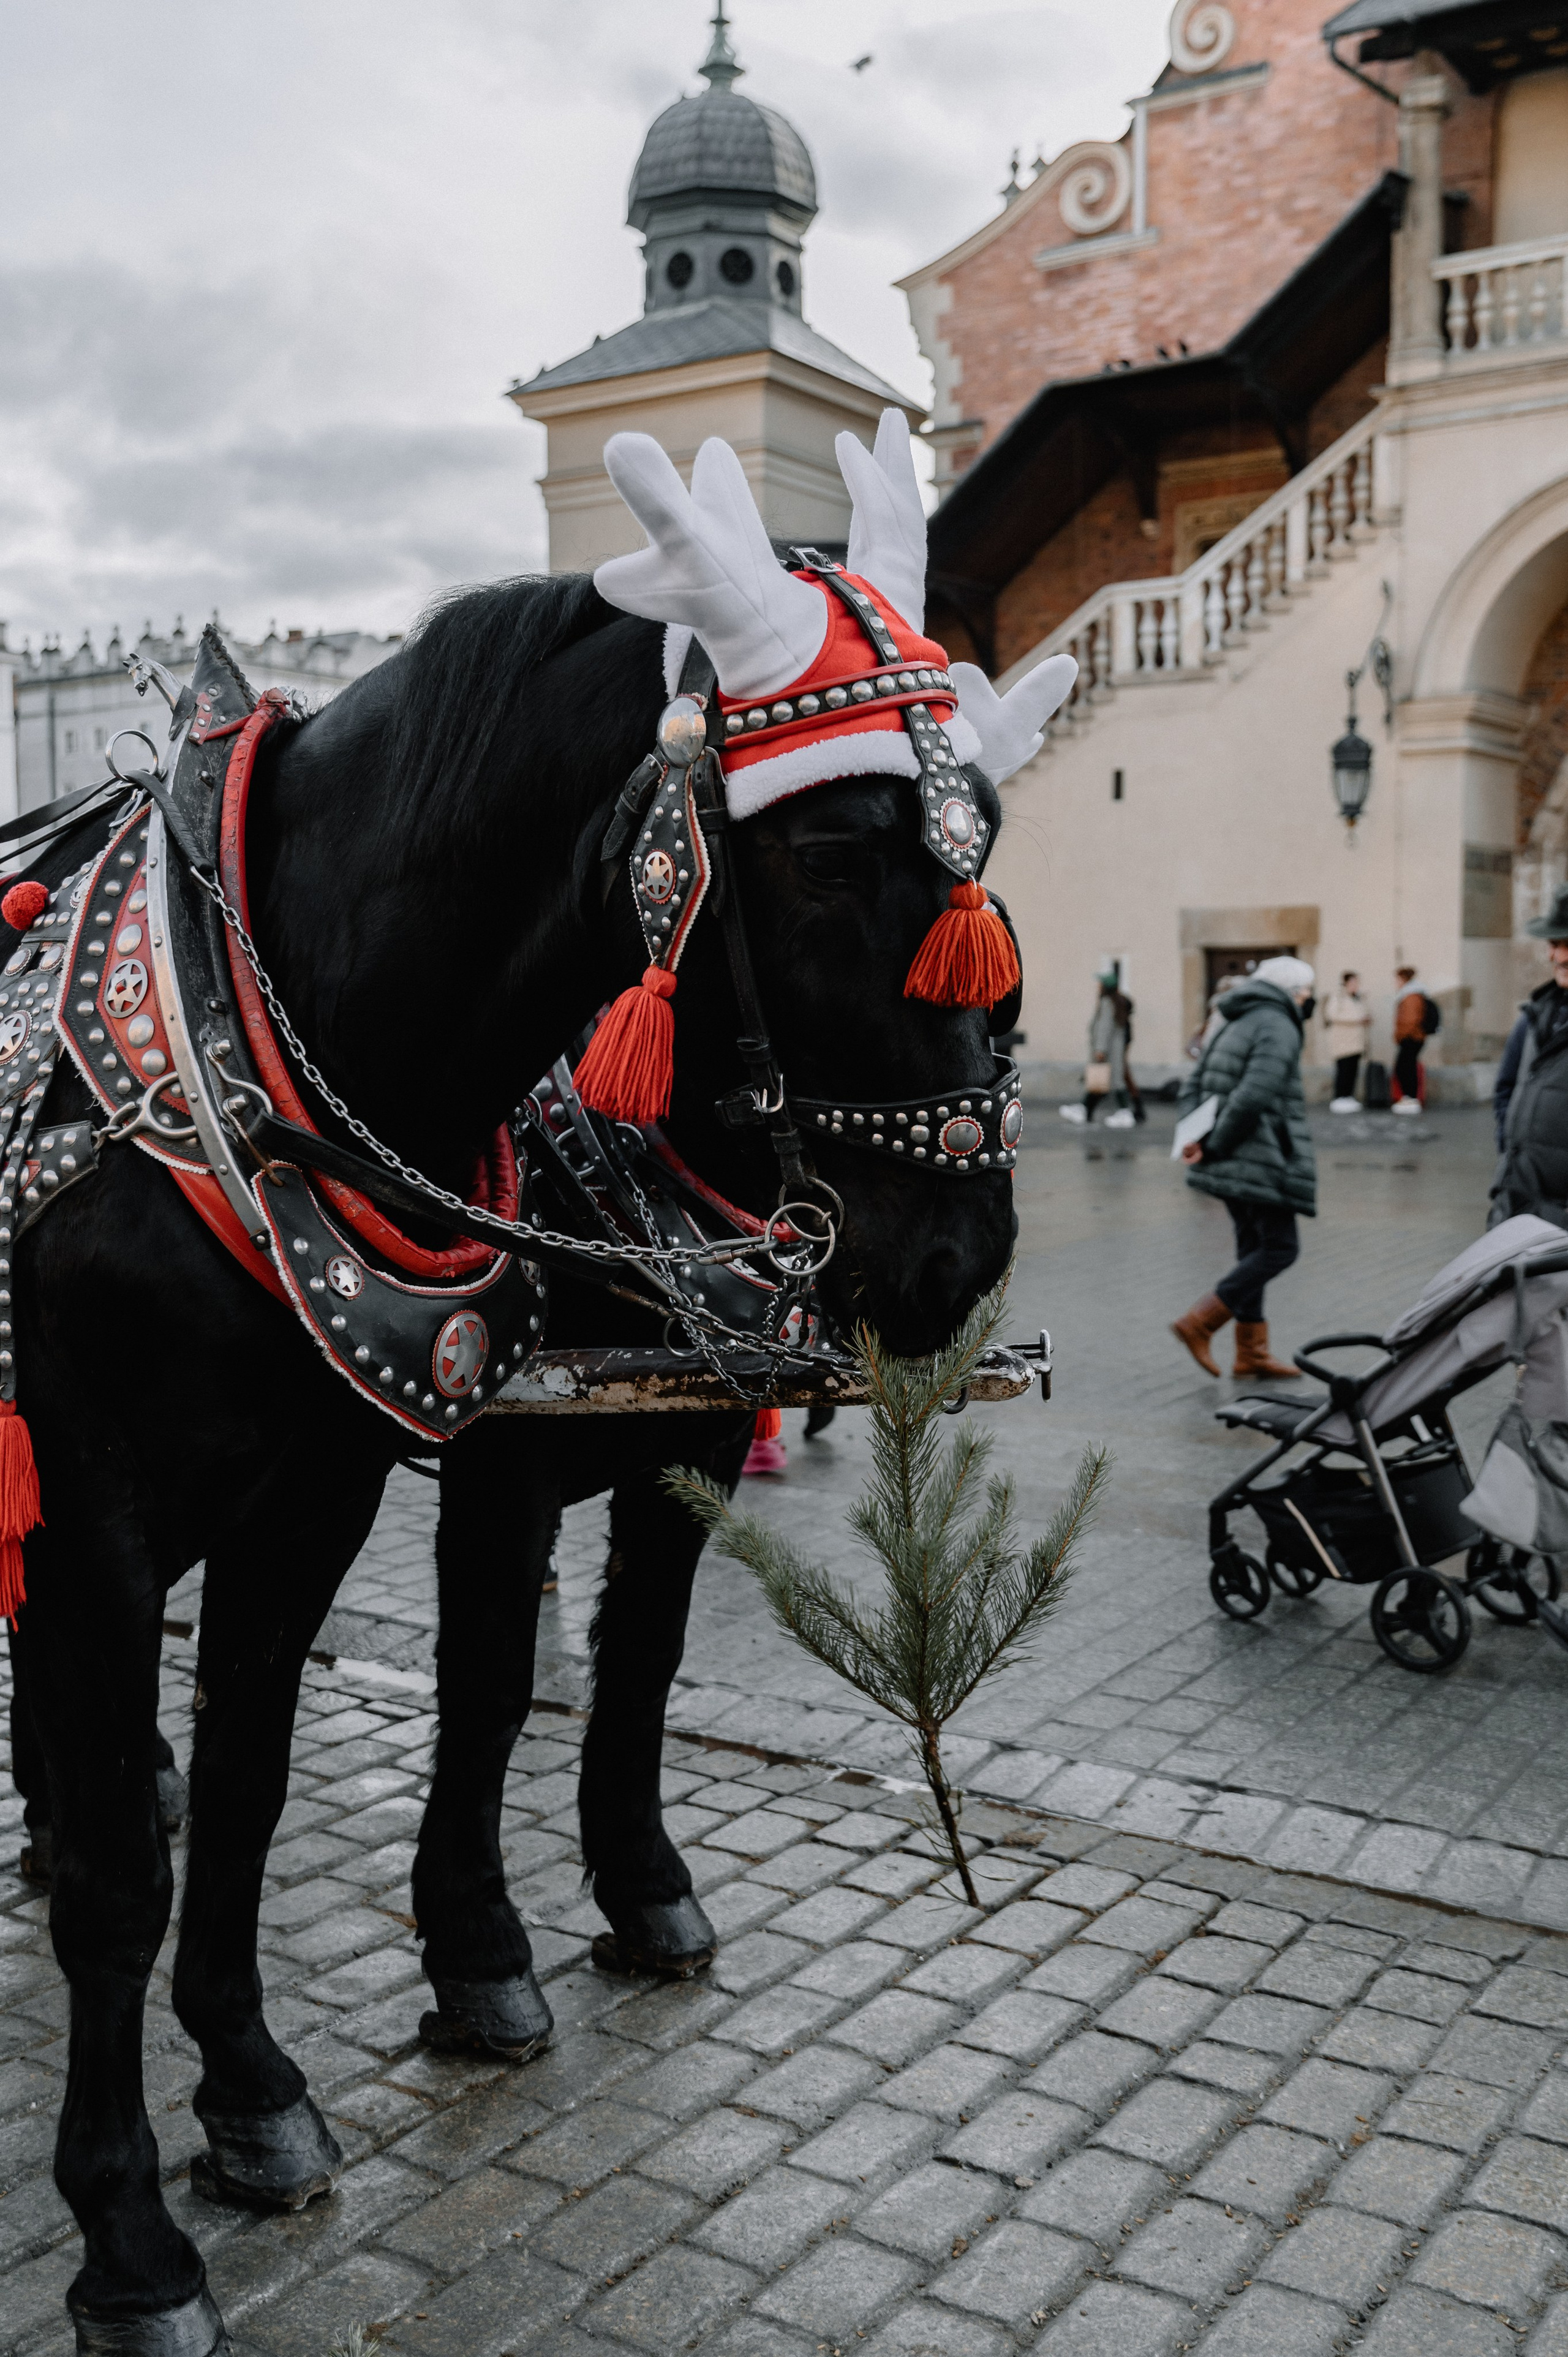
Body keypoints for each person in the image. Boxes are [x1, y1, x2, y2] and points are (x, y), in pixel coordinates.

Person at [1170, 956, 1317, 1379]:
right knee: (1280, 1248)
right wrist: (1214, 1145)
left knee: (1253, 1248)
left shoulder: (1232, 1017)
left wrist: (1196, 1139)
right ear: (1292, 992)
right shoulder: (1279, 1024)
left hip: (1234, 1155)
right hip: (1262, 1156)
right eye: (1306, 991)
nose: (1308, 999)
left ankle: (1251, 1353)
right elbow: (1255, 1095)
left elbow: (1195, 1083)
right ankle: (1201, 1322)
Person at [1490, 883, 1568, 1227]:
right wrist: (1510, 1155)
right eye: (1554, 944)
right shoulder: (1535, 1016)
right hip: (1516, 1205)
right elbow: (1506, 1090)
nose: (1558, 956)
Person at [1060, 967, 1137, 1129]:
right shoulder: (1118, 1003)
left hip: (1108, 1051)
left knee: (1108, 1081)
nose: (1098, 986)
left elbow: (1104, 1027)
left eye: (1100, 984)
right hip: (1114, 1050)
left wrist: (1100, 1049)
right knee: (1102, 1082)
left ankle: (1124, 1113)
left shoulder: (1107, 1003)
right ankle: (1084, 1109)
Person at [1323, 970, 1370, 1112]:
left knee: (1352, 1071)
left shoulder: (1358, 998)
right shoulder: (1338, 997)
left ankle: (1348, 1097)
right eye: (1353, 983)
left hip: (1356, 1042)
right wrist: (1357, 1020)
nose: (1356, 986)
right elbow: (1332, 1015)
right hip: (1343, 1042)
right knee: (1343, 1070)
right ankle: (1340, 1097)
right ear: (1346, 983)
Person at [1392, 965, 1435, 1115]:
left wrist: (1400, 1036)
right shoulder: (1412, 994)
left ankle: (1410, 1098)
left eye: (1398, 979)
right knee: (1406, 1067)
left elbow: (1410, 1020)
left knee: (1404, 1068)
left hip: (1411, 1037)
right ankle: (1409, 1098)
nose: (1396, 983)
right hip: (1414, 1037)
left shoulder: (1410, 996)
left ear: (1404, 979)